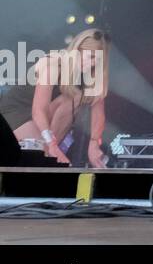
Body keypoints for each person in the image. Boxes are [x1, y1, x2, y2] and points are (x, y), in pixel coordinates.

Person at [0, 29, 110, 167]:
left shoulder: (92, 75)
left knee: (78, 97)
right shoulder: (53, 64)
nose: (92, 64)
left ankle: (48, 155)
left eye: (97, 60)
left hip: (39, 120)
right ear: (77, 49)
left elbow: (98, 113)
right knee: (73, 98)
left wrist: (94, 143)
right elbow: (38, 110)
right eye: (90, 57)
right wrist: (51, 144)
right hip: (15, 115)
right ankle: (48, 152)